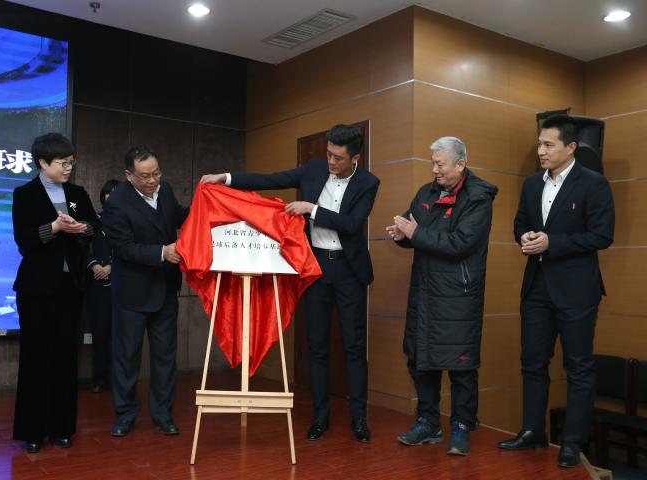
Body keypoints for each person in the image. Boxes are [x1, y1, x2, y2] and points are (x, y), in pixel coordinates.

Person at [201, 124, 380, 443]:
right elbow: (269, 179)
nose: (331, 161)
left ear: (355, 157)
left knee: (354, 347)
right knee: (317, 346)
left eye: (338, 157)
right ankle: (320, 417)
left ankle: (359, 419)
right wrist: (225, 178)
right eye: (328, 154)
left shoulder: (368, 182)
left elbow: (352, 224)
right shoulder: (313, 170)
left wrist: (313, 210)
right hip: (314, 268)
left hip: (349, 272)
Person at [497, 115, 615, 468]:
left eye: (548, 144)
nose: (541, 151)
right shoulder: (533, 184)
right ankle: (532, 431)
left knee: (578, 366)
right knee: (532, 362)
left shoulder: (594, 183)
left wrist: (552, 242)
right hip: (536, 286)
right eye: (539, 144)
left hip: (577, 290)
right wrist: (525, 236)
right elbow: (519, 223)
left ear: (571, 147)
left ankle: (572, 443)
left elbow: (602, 235)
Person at [386, 136, 497, 456]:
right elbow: (413, 228)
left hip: (458, 295)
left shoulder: (478, 197)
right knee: (421, 358)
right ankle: (428, 422)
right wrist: (402, 236)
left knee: (461, 365)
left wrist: (415, 233)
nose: (434, 170)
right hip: (425, 291)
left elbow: (461, 243)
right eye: (432, 163)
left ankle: (461, 426)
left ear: (460, 164)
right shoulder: (427, 192)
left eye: (440, 164)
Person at [11, 133, 97, 453]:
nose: (68, 168)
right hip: (36, 288)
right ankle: (33, 431)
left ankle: (62, 427)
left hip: (70, 285)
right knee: (36, 357)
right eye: (63, 163)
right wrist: (55, 228)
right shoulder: (25, 194)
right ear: (43, 163)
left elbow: (95, 225)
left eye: (71, 162)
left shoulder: (76, 193)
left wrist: (82, 228)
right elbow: (24, 239)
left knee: (65, 357)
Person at [101, 146, 189, 438]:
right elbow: (124, 248)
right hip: (132, 293)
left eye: (156, 173)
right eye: (145, 176)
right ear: (129, 175)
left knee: (165, 357)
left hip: (165, 289)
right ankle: (126, 413)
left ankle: (163, 414)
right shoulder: (117, 203)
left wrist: (209, 206)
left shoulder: (166, 191)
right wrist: (162, 252)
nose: (152, 180)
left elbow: (180, 216)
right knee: (127, 357)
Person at [86, 179, 119, 393]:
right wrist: (94, 265)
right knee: (99, 333)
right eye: (109, 193)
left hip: (120, 286)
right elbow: (81, 247)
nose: (112, 197)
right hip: (96, 286)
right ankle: (99, 379)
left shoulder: (127, 222)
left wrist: (111, 267)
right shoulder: (94, 221)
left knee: (119, 336)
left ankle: (117, 380)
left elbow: (130, 249)